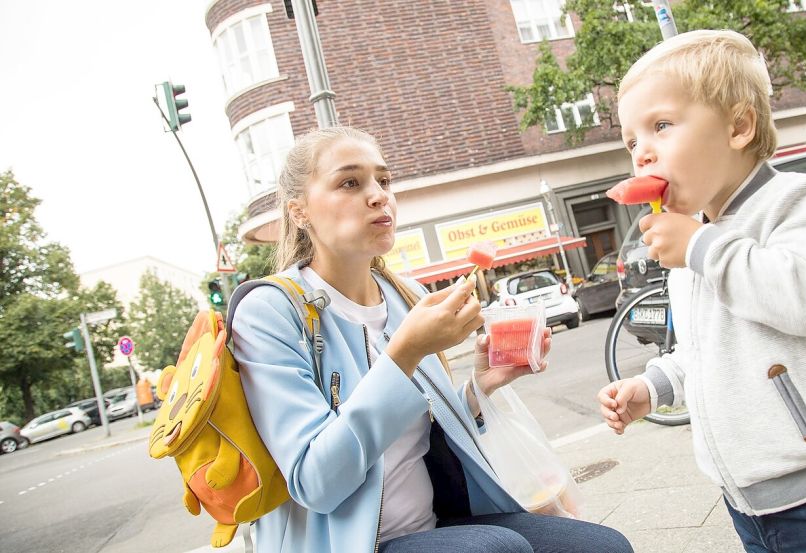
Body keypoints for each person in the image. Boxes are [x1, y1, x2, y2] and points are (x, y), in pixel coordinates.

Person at [597, 30, 806, 553]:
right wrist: (654, 386)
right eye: (632, 141)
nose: (642, 154)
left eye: (661, 126)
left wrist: (705, 247)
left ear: (739, 125)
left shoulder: (797, 201)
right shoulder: (694, 237)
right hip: (749, 502)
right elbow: (710, 347)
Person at [231, 126, 634, 553]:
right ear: (299, 211)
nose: (378, 195)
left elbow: (421, 433)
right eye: (350, 182)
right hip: (352, 544)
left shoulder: (406, 295)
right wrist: (404, 354)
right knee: (497, 550)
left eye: (383, 181)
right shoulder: (270, 312)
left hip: (439, 522)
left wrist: (481, 388)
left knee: (603, 546)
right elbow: (315, 482)